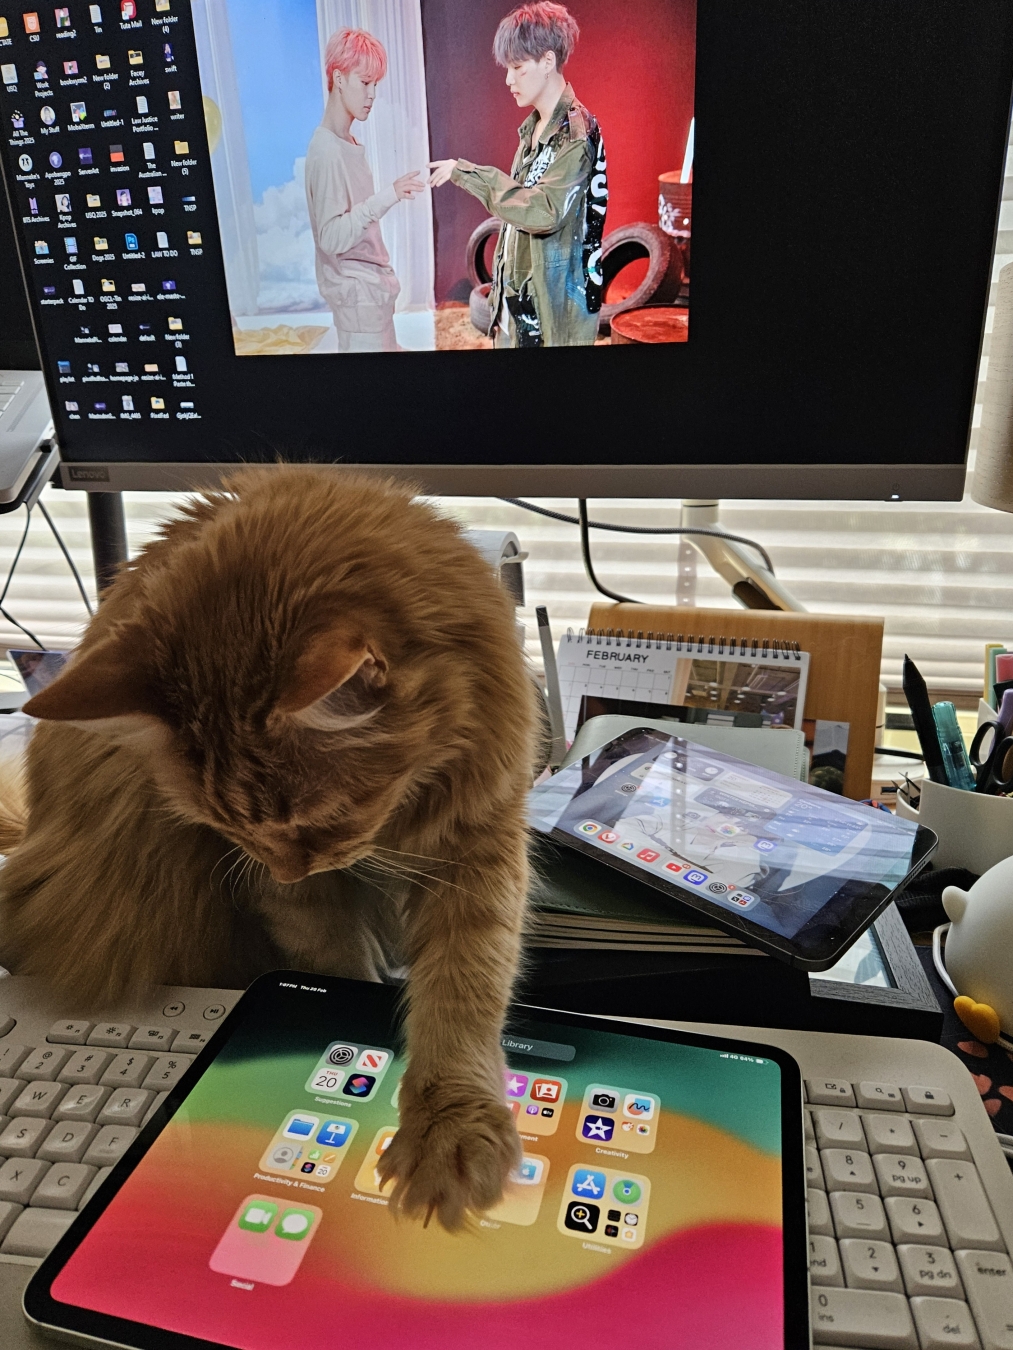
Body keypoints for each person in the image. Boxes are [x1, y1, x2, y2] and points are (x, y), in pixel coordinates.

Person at [429, 2, 608, 348]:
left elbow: (542, 211)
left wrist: (467, 174)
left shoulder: (576, 133)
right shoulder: (534, 130)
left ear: (547, 61)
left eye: (517, 67)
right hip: (520, 308)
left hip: (554, 315)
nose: (508, 80)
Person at [305, 28, 424, 353]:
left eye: (375, 85)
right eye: (365, 82)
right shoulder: (328, 150)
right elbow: (331, 237)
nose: (372, 94)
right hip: (358, 301)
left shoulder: (347, 142)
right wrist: (390, 195)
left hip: (369, 297)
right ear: (339, 79)